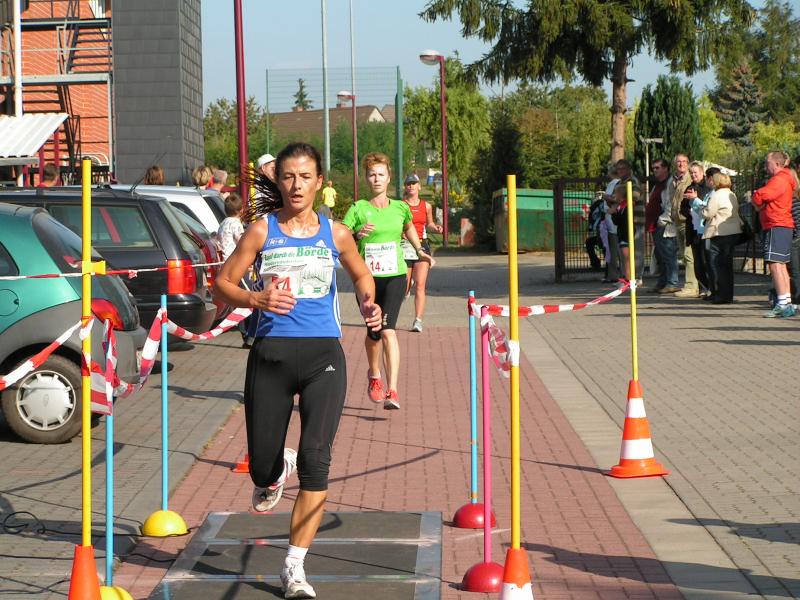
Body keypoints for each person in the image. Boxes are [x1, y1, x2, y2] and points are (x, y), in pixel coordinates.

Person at [213, 142, 382, 599]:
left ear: (319, 182)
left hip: (323, 357)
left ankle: (294, 566)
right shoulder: (261, 231)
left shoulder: (336, 233)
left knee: (316, 460)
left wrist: (368, 302)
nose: (296, 185)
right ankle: (274, 470)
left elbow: (362, 275)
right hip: (270, 357)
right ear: (278, 181)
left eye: (305, 177)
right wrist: (255, 299)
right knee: (260, 469)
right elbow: (221, 285)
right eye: (288, 176)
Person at [342, 153, 432, 410]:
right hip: (366, 280)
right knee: (374, 333)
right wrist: (356, 234)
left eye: (381, 174)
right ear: (366, 178)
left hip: (395, 276)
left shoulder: (400, 207)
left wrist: (419, 249)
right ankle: (374, 374)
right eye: (372, 175)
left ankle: (392, 390)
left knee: (388, 329)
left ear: (389, 178)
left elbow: (408, 227)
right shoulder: (359, 208)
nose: (376, 179)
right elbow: (342, 235)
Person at [752, 150, 797, 318]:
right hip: (782, 225)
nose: (765, 166)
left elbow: (760, 195)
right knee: (781, 264)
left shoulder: (778, 180)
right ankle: (786, 302)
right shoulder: (786, 179)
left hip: (776, 224)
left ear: (777, 164)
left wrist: (756, 200)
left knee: (775, 264)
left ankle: (782, 304)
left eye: (767, 162)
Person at [402, 172, 441, 332]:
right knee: (403, 286)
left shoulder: (426, 206)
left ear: (419, 186)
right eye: (408, 184)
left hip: (422, 245)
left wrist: (435, 227)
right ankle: (407, 286)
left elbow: (429, 223)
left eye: (414, 183)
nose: (411, 186)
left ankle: (418, 320)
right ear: (405, 187)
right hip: (405, 246)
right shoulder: (400, 205)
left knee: (420, 285)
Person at [700, 172, 741, 304]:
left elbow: (708, 213)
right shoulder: (731, 194)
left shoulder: (716, 195)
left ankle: (719, 294)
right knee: (727, 266)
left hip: (718, 232)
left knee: (716, 265)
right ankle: (728, 295)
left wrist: (701, 209)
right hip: (733, 232)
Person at [654, 154, 691, 294]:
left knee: (688, 256)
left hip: (686, 221)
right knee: (680, 255)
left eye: (684, 161)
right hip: (675, 221)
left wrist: (664, 218)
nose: (681, 164)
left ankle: (689, 285)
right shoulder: (673, 180)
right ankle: (675, 283)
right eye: (678, 162)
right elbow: (670, 201)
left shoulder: (689, 178)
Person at [675, 161, 709, 298]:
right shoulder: (689, 188)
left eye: (696, 172)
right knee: (697, 261)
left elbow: (707, 207)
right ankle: (702, 287)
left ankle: (708, 287)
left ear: (702, 173)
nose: (693, 175)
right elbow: (682, 207)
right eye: (691, 173)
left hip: (705, 228)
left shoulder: (708, 188)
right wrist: (689, 212)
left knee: (705, 259)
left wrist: (696, 203)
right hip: (693, 228)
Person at [645, 159, 670, 279]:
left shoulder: (669, 183)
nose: (654, 170)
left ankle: (669, 281)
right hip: (654, 225)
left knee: (665, 255)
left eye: (657, 168)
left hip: (663, 224)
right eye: (653, 168)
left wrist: (662, 219)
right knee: (659, 255)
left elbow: (668, 203)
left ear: (665, 168)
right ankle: (663, 280)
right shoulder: (657, 185)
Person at [217, 191, 244, 261]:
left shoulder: (223, 223)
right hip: (233, 259)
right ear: (241, 210)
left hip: (224, 259)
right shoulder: (236, 223)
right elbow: (241, 242)